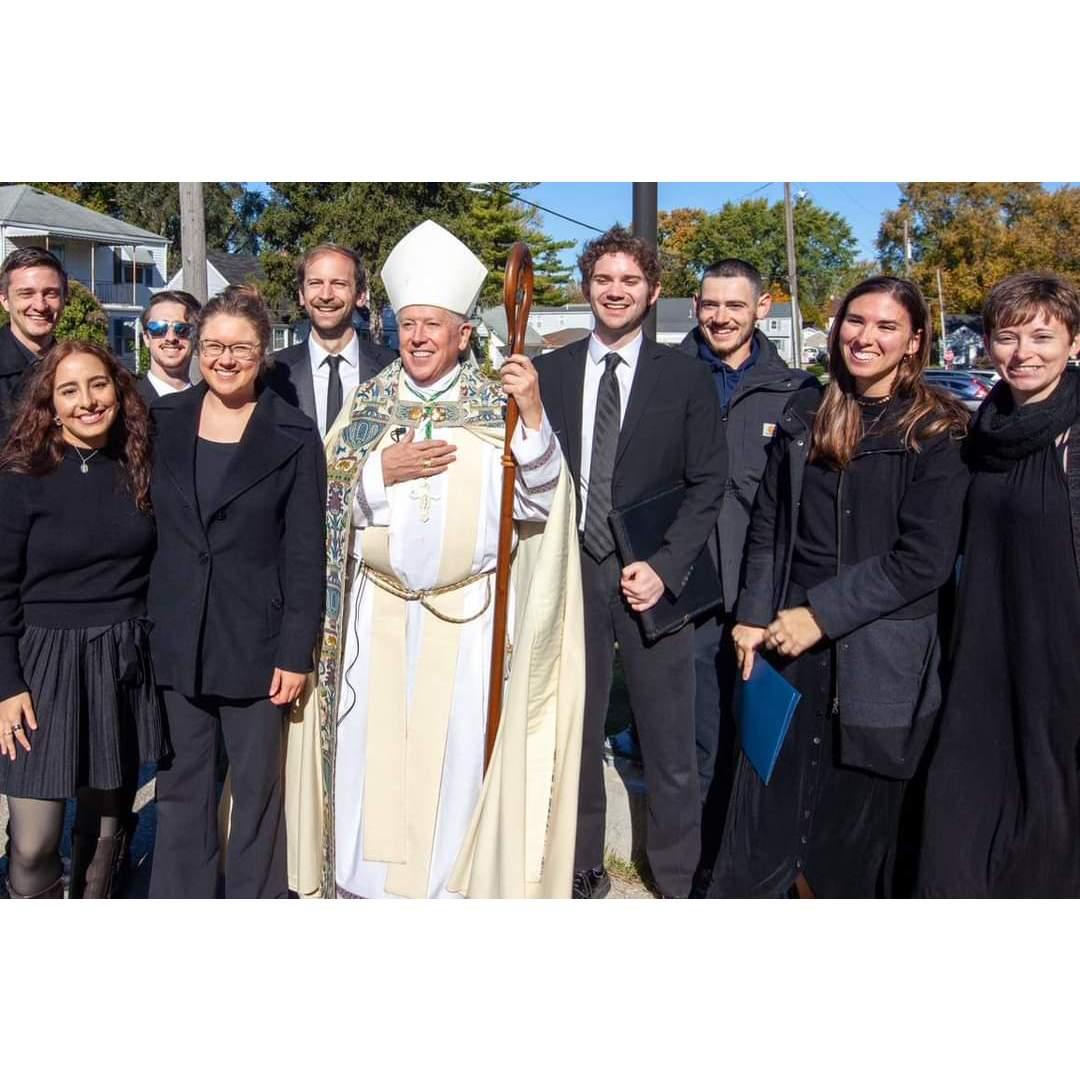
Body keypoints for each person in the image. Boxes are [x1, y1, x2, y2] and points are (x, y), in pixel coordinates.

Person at [285, 219, 584, 899]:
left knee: (454, 758)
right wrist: (375, 473)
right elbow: (319, 506)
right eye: (408, 324)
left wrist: (533, 415)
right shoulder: (369, 406)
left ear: (463, 334)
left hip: (467, 619)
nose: (418, 337)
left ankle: (448, 891)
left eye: (434, 325)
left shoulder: (498, 408)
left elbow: (540, 503)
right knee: (371, 751)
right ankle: (363, 886)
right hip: (376, 616)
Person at [711, 275, 969, 898]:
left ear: (914, 341)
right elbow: (769, 527)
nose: (866, 337)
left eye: (887, 326)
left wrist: (821, 616)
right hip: (788, 646)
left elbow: (923, 560)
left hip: (879, 656)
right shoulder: (806, 414)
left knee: (852, 837)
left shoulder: (936, 432)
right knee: (769, 816)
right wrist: (752, 613)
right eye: (856, 321)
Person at [535, 226, 728, 899]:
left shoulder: (685, 376)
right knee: (576, 731)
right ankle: (582, 864)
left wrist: (666, 567)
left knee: (669, 739)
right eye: (604, 279)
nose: (615, 291)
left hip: (652, 575)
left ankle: (676, 877)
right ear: (587, 287)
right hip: (572, 571)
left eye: (630, 281)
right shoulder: (550, 373)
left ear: (653, 291)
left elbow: (708, 482)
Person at [147, 285, 326, 899]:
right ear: (197, 348)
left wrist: (295, 651)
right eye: (214, 345)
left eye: (241, 348)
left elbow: (305, 552)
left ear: (263, 352)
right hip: (177, 636)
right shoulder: (161, 421)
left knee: (255, 793)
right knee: (181, 790)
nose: (225, 359)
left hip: (257, 643)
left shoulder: (294, 433)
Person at [918, 272, 1080, 897]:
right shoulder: (980, 429)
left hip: (1061, 657)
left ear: (1072, 343)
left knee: (1053, 806)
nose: (1023, 353)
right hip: (984, 648)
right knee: (967, 797)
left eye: (1042, 337)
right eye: (1007, 337)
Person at [0, 340, 166, 898]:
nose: (87, 401)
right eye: (69, 390)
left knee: (103, 835)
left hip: (122, 658)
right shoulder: (21, 475)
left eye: (98, 385)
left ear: (118, 390)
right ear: (50, 404)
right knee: (32, 842)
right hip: (41, 666)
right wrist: (6, 685)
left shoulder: (140, 463)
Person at [677, 259, 820, 894]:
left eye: (735, 305)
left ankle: (755, 863)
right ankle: (701, 865)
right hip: (686, 594)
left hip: (761, 596)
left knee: (758, 738)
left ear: (762, 308)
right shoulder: (668, 376)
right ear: (695, 306)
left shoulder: (796, 392)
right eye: (711, 304)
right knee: (697, 739)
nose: (721, 317)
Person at [267, 243, 396, 436]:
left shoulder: (392, 369)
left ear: (361, 295)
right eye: (315, 283)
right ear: (301, 294)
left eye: (339, 284)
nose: (326, 295)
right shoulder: (273, 372)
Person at [0, 247, 66, 439]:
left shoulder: (76, 367)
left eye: (51, 293)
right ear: (5, 300)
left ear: (64, 298)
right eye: (26, 293)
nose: (40, 305)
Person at [136, 289, 202, 404]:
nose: (171, 338)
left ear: (196, 338)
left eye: (182, 329)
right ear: (146, 338)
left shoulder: (211, 405)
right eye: (158, 328)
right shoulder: (125, 404)